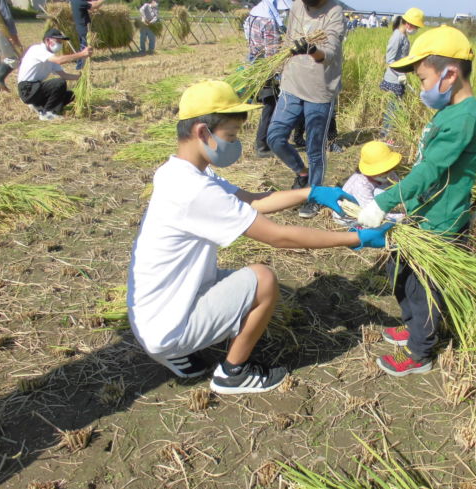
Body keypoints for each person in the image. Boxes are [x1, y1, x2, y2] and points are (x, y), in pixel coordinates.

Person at [127, 80, 391, 395]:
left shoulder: (180, 173)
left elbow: (252, 201)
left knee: (233, 280)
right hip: (165, 326)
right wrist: (356, 239)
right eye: (231, 136)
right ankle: (232, 374)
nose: (236, 144)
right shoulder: (194, 191)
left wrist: (312, 192)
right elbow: (279, 238)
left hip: (152, 317)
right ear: (202, 133)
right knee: (263, 279)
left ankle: (175, 353)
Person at [357, 26, 476, 376]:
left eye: (424, 79)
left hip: (441, 223)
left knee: (424, 290)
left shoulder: (463, 118)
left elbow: (430, 171)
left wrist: (383, 202)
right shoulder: (448, 113)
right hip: (422, 215)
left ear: (450, 74)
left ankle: (420, 352)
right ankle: (413, 325)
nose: (421, 87)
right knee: (399, 272)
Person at [266, 0, 345, 219]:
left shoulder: (334, 11)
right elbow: (288, 41)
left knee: (315, 148)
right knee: (275, 138)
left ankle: (314, 195)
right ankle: (302, 173)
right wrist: (278, 68)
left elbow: (329, 52)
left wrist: (311, 50)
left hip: (319, 91)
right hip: (291, 84)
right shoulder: (297, 7)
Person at [243, 0, 291, 158]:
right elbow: (272, 53)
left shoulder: (251, 17)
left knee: (269, 104)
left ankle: (267, 141)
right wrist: (278, 74)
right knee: (270, 105)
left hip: (254, 64)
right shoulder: (268, 22)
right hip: (266, 69)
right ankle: (262, 145)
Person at [17, 29, 92, 121]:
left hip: (36, 88)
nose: (60, 44)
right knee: (59, 83)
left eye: (61, 42)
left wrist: (81, 78)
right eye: (58, 41)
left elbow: (64, 75)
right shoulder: (38, 49)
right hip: (28, 89)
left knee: (71, 95)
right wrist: (81, 54)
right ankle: (48, 113)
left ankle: (39, 106)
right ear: (48, 41)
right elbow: (59, 60)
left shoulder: (50, 56)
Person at [333, 141, 404, 226]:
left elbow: (400, 188)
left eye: (389, 168)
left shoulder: (388, 173)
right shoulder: (361, 184)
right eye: (384, 170)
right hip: (349, 213)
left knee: (382, 191)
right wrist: (399, 217)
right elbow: (372, 211)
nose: (388, 172)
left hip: (370, 203)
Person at [379, 7, 424, 141]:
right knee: (392, 109)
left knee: (395, 108)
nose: (416, 29)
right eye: (416, 26)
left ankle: (387, 135)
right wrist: (399, 74)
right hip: (393, 79)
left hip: (399, 78)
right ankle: (386, 137)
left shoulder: (404, 36)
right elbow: (390, 60)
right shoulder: (397, 36)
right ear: (409, 24)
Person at [70, 0, 105, 69]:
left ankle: (81, 66)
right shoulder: (79, 2)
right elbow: (95, 5)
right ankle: (80, 67)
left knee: (83, 47)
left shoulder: (74, 1)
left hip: (80, 27)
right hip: (84, 28)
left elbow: (91, 6)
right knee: (85, 48)